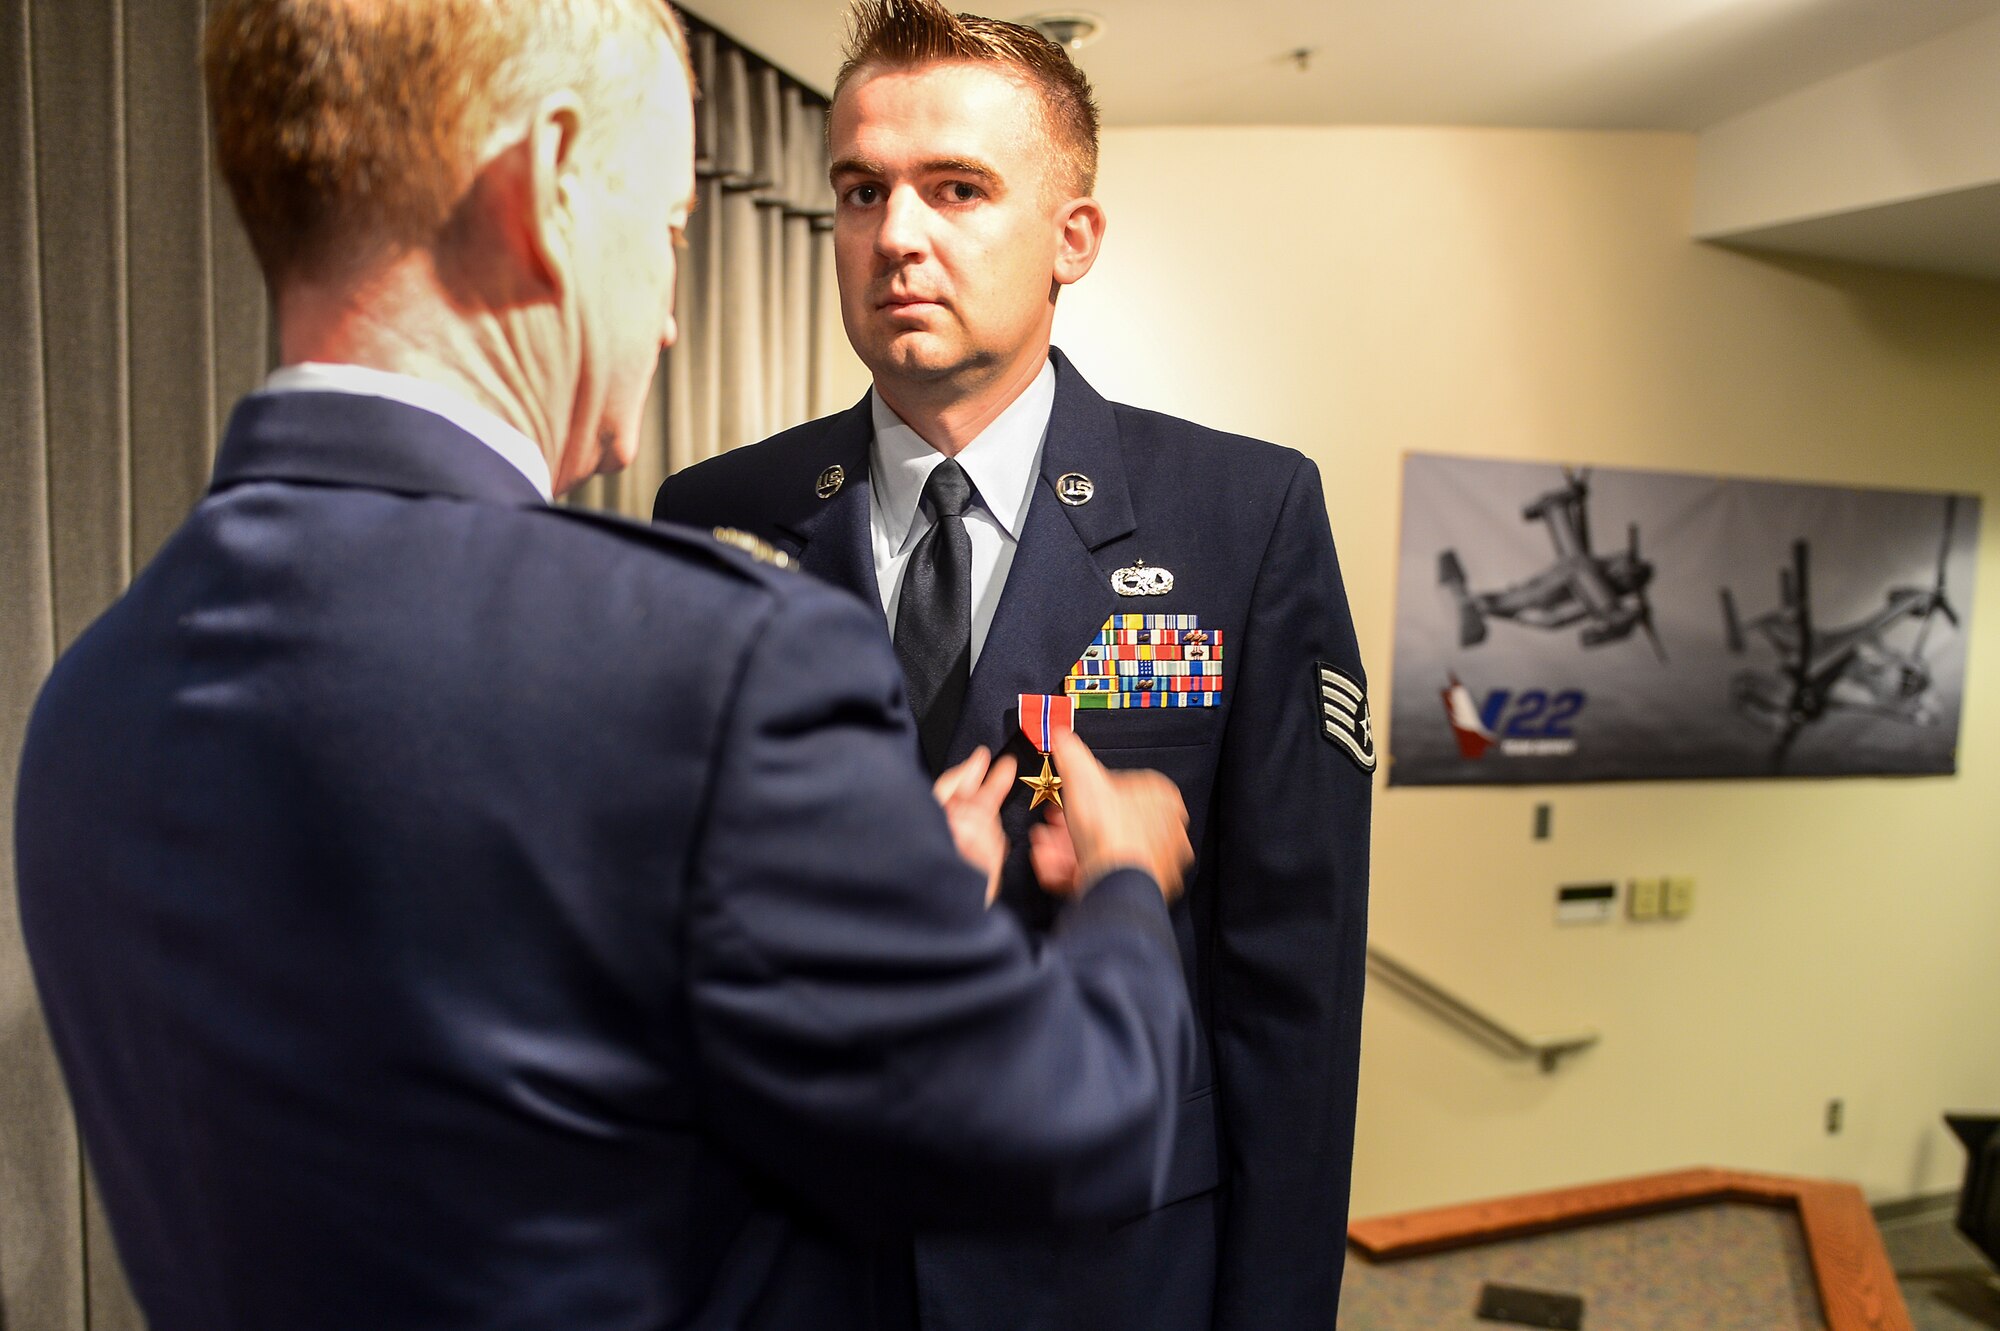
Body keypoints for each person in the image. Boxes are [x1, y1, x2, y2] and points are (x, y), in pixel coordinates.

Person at [12, 2, 1203, 1328]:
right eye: (673, 233)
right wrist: (1122, 888)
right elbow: (1064, 1124)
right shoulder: (715, 660)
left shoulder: (87, 703)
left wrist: (862, 902)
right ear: (547, 191)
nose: (672, 322)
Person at [653, 2, 1375, 1327]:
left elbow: (1293, 995)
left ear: (1072, 237)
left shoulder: (1241, 517)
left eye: (958, 189)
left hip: (1101, 1266)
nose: (898, 236)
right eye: (862, 191)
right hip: (797, 1264)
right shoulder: (717, 516)